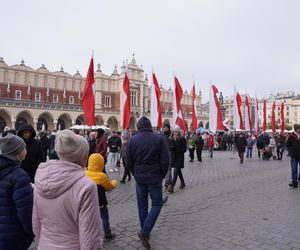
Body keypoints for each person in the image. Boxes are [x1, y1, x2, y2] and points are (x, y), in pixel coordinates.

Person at [32, 130, 103, 249]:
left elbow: (36, 223)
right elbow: (90, 236)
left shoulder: (40, 178)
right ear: (82, 157)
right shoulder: (86, 186)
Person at [125, 117, 169, 249]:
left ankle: (145, 231)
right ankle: (145, 231)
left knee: (142, 205)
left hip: (140, 178)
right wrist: (161, 174)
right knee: (157, 204)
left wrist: (135, 173)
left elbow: (128, 161)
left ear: (138, 127)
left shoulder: (132, 140)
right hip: (155, 177)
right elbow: (165, 160)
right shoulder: (158, 139)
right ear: (150, 126)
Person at [0, 134, 35, 250]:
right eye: (23, 147)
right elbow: (25, 212)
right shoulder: (19, 176)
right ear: (17, 152)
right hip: (13, 236)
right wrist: (31, 232)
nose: (26, 150)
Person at [86, 153, 117, 240]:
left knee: (91, 217)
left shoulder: (85, 173)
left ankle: (91, 234)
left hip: (89, 201)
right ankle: (107, 233)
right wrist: (114, 182)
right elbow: (109, 186)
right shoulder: (102, 176)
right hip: (101, 201)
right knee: (104, 216)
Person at [168, 127, 187, 193]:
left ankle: (172, 187)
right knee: (178, 171)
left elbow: (184, 150)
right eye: (174, 132)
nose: (175, 133)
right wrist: (171, 145)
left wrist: (176, 144)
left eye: (176, 132)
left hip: (180, 157)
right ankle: (183, 182)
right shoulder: (172, 139)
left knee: (176, 170)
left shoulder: (182, 139)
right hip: (174, 157)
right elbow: (170, 148)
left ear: (179, 133)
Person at [163, 123, 172, 189]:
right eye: (164, 127)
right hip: (163, 152)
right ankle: (169, 181)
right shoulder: (162, 135)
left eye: (167, 127)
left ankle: (167, 182)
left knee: (169, 168)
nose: (165, 128)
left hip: (170, 152)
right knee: (166, 168)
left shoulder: (171, 135)